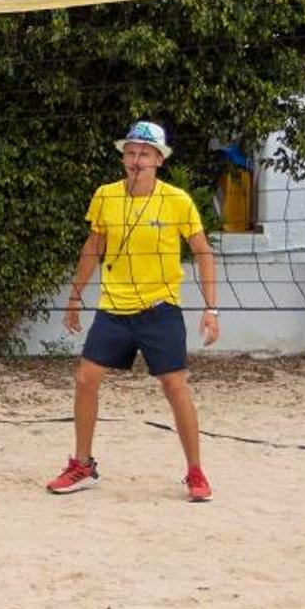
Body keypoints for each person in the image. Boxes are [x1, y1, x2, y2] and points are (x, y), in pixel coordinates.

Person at [48, 121, 221, 502]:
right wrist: (75, 297)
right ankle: (82, 465)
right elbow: (93, 247)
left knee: (174, 385)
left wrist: (211, 308)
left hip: (160, 308)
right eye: (130, 152)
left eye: (144, 153)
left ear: (159, 160)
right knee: (86, 377)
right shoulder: (106, 195)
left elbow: (203, 252)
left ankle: (195, 471)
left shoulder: (177, 200)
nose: (136, 159)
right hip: (114, 307)